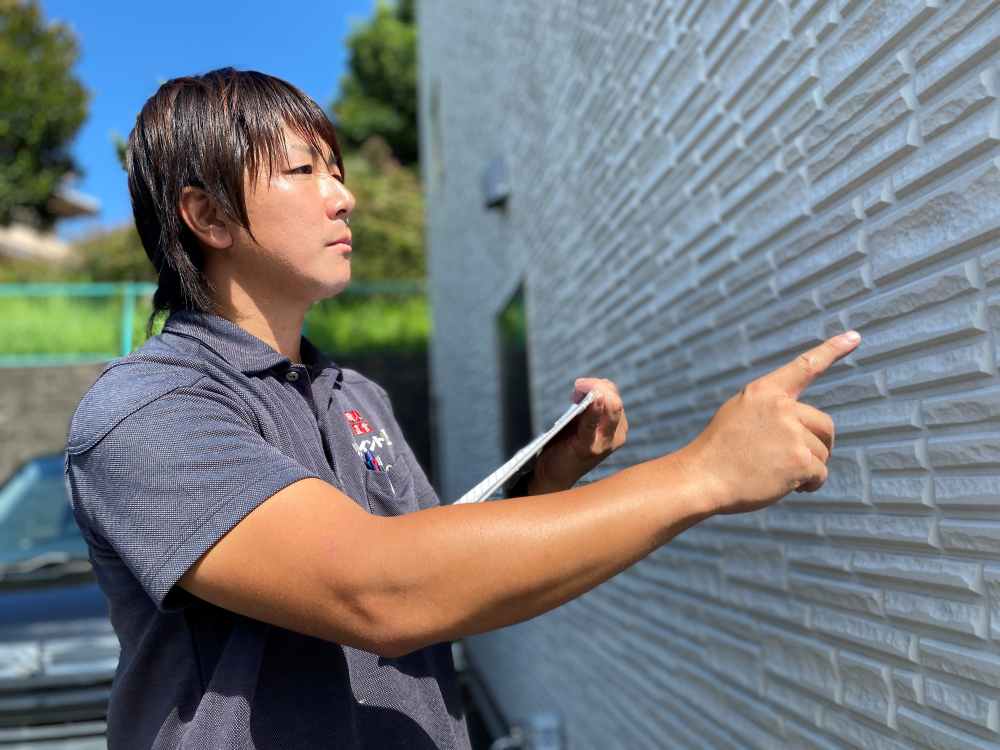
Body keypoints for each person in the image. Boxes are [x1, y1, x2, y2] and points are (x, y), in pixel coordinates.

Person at [64, 67, 859, 750]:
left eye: (336, 169)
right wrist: (704, 474)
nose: (344, 198)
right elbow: (380, 593)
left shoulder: (353, 396)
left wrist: (545, 481)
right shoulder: (148, 409)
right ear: (206, 217)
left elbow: (440, 582)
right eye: (303, 172)